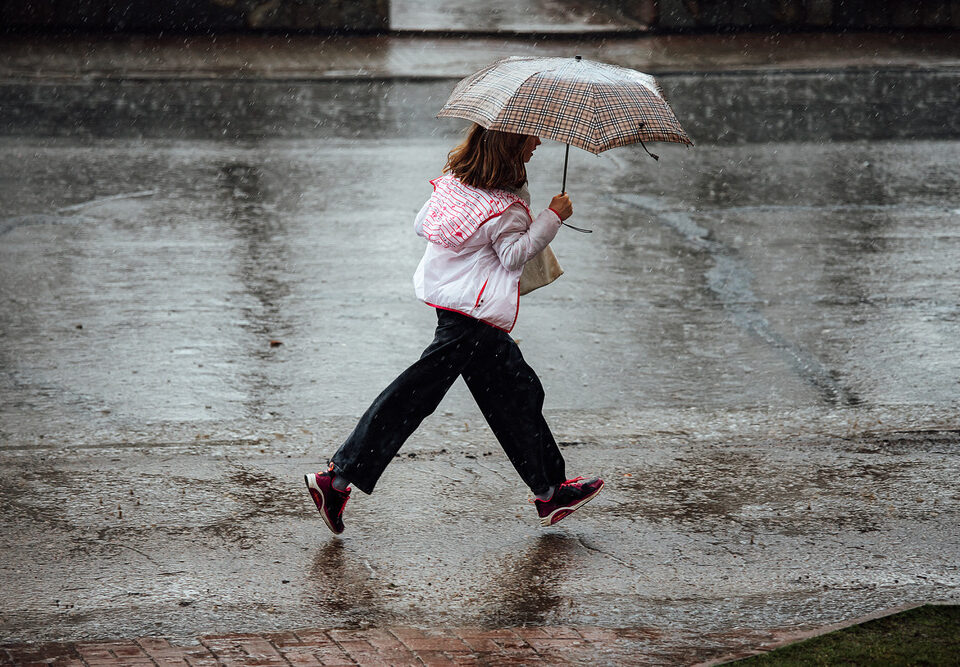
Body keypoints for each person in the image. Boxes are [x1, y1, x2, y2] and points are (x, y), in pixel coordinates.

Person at [304, 123, 604, 534]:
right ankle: (336, 480)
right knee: (413, 396)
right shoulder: (506, 207)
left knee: (516, 393)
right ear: (511, 143)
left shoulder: (454, 184)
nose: (538, 142)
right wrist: (552, 216)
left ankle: (550, 492)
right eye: (531, 136)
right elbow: (514, 256)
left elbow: (422, 223)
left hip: (455, 305)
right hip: (474, 316)